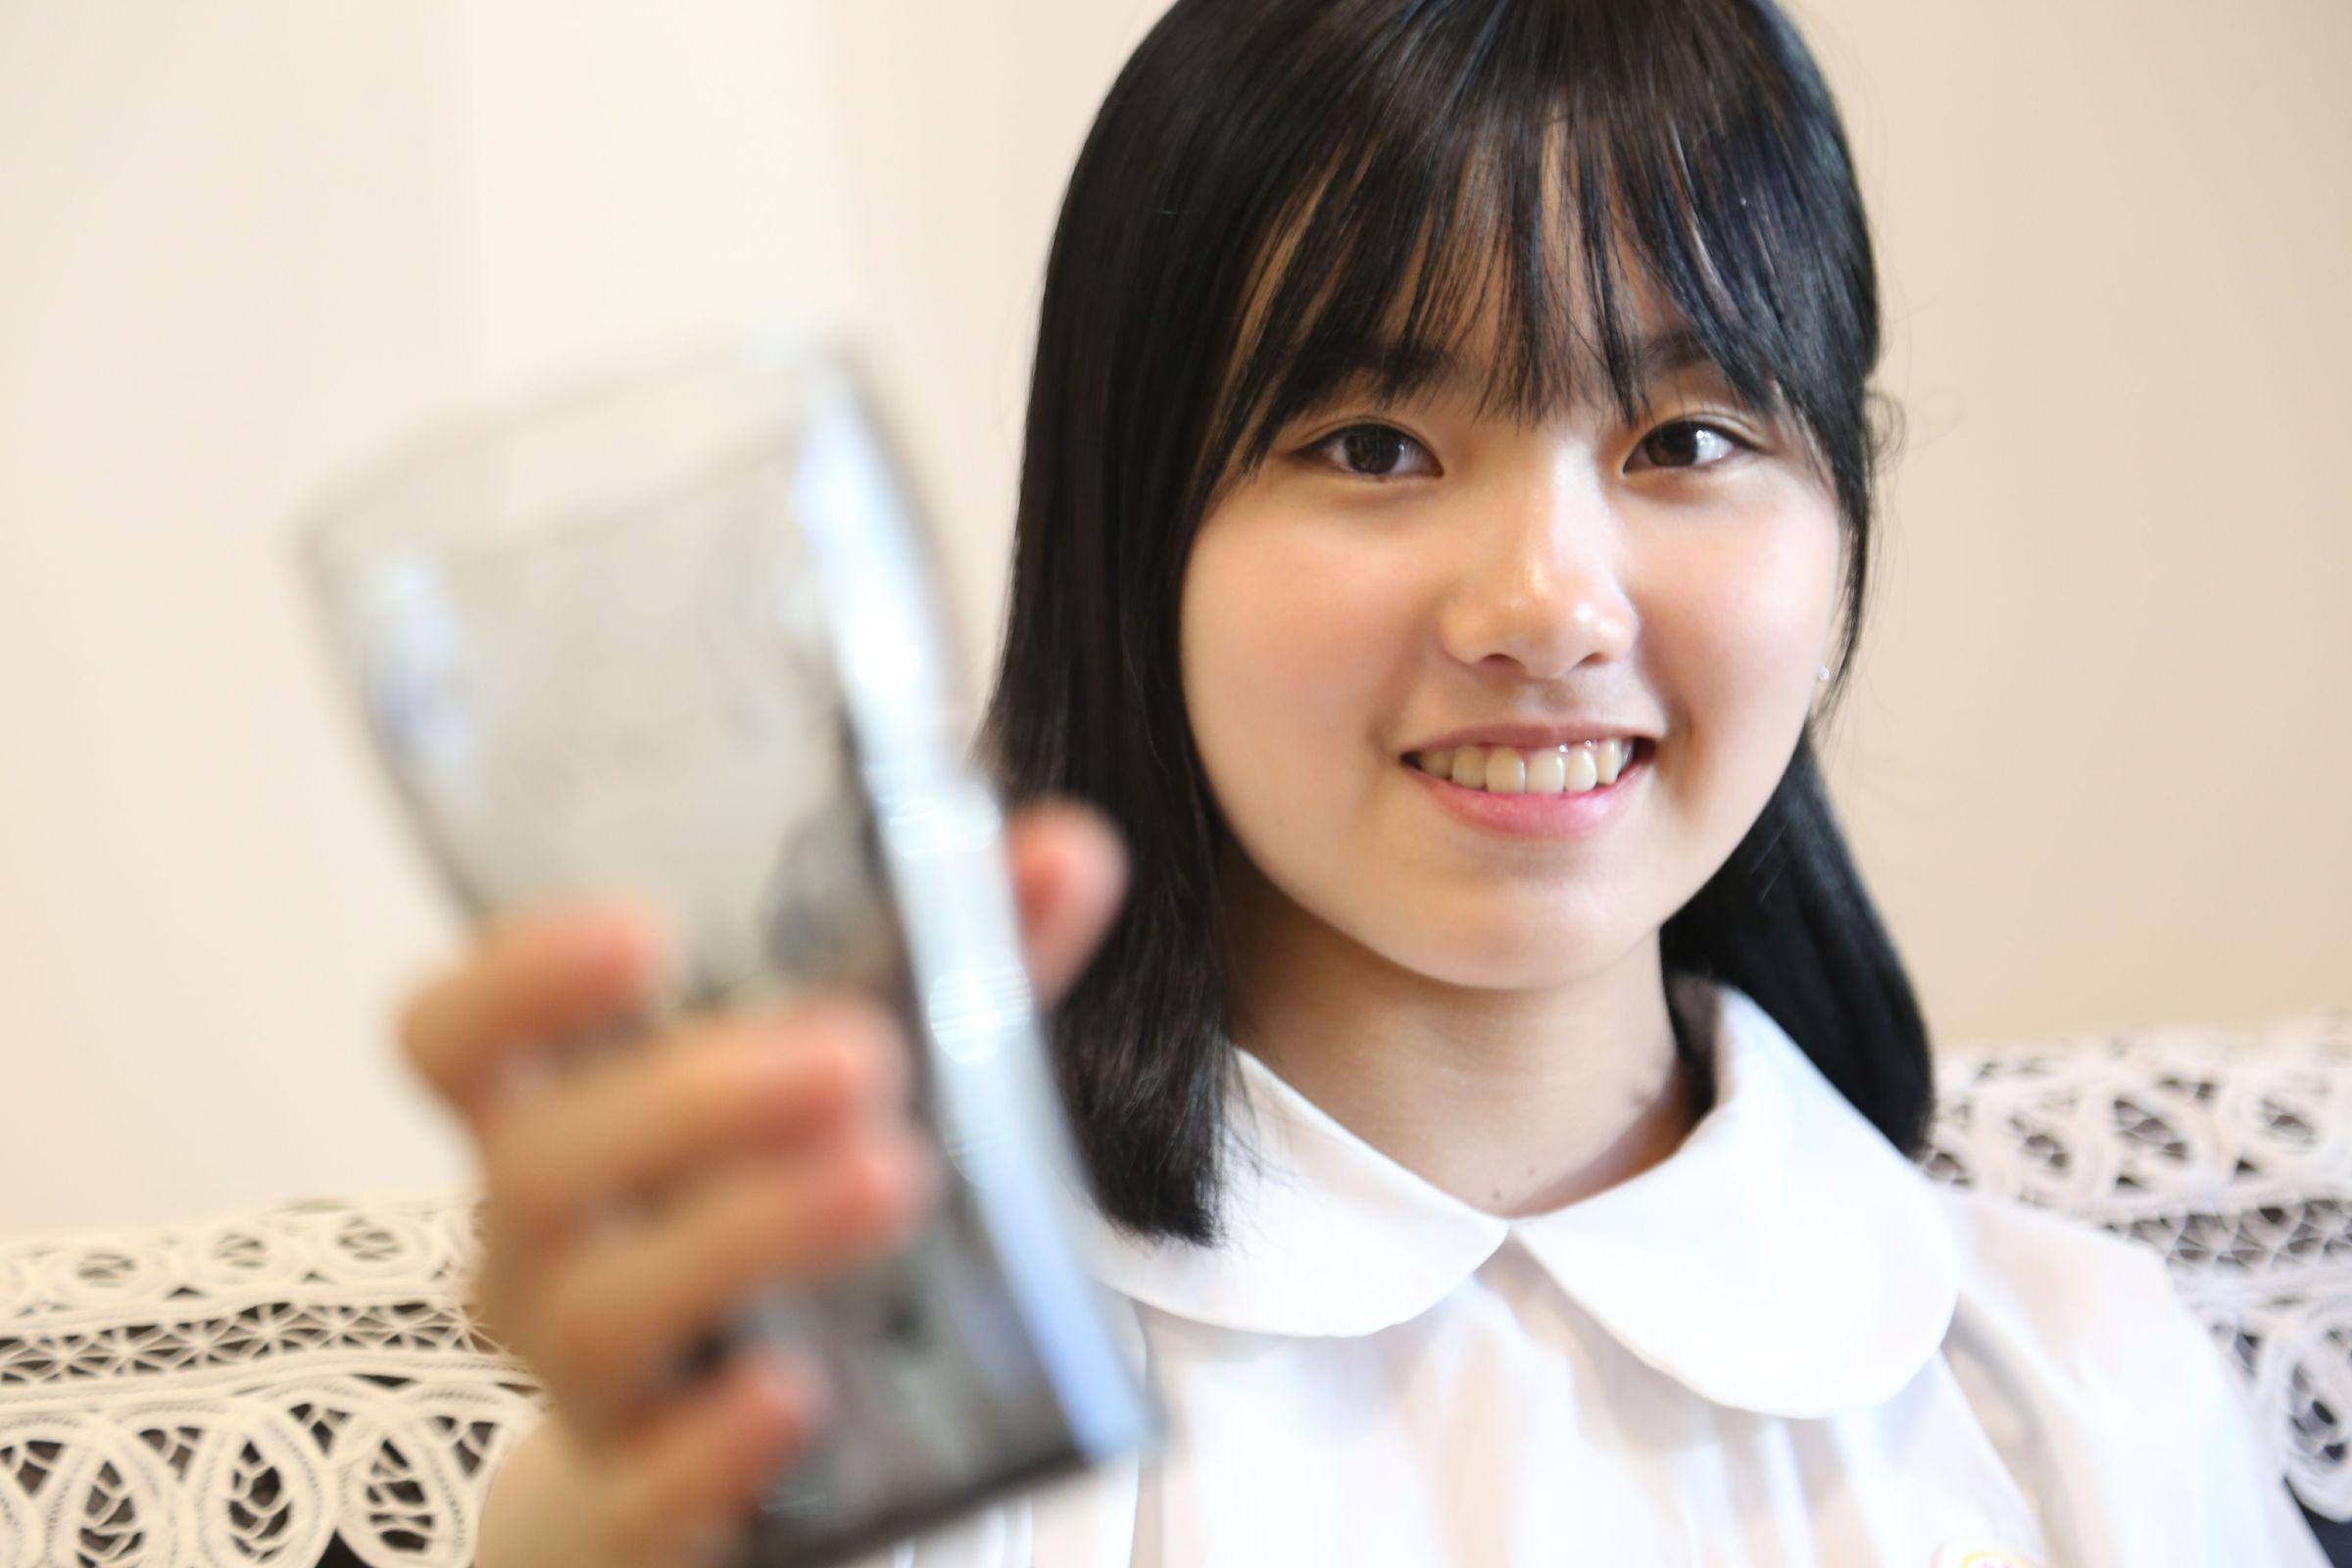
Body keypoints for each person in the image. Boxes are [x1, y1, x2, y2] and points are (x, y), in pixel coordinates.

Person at [398, 1, 2330, 1563]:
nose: (1548, 603)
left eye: (1684, 436)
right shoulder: (878, 1419)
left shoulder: (2084, 1394)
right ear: (1132, 527)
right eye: (1374, 444)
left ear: (1845, 517)